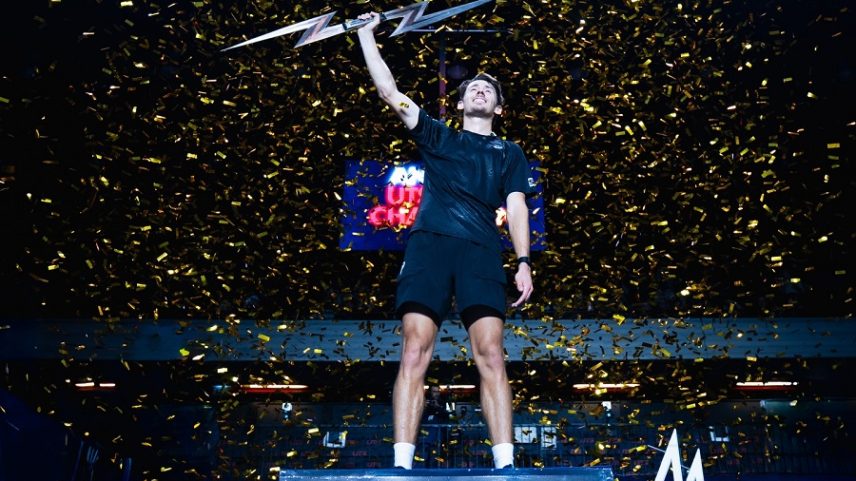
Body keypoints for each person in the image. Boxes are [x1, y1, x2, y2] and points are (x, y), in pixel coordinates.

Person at [356, 12, 535, 470]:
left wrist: (523, 261)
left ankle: (506, 466)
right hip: (429, 247)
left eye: (489, 89)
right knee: (414, 348)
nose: (479, 88)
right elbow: (389, 92)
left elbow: (516, 205)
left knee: (491, 353)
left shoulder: (509, 152)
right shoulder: (437, 136)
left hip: (479, 252)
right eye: (472, 86)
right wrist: (365, 34)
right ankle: (401, 464)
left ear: (498, 107)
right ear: (458, 104)